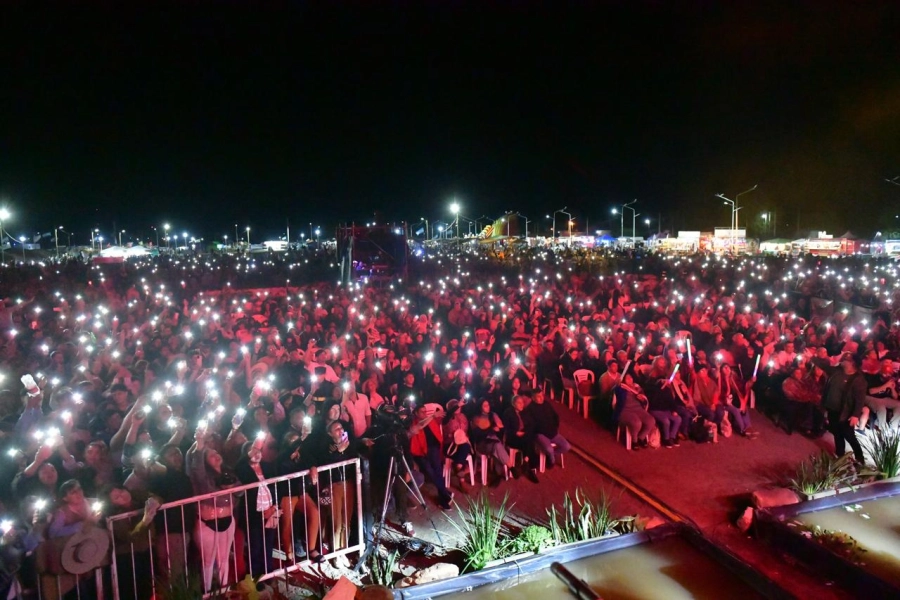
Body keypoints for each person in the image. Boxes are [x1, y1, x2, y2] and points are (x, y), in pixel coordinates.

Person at [187, 426, 242, 591]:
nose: (215, 455)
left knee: (224, 558)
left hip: (228, 520)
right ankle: (207, 592)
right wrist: (200, 443)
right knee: (208, 560)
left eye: (216, 453)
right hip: (207, 523)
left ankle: (224, 590)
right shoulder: (203, 479)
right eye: (210, 455)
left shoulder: (228, 473)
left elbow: (240, 491)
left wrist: (232, 488)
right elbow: (196, 468)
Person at [408, 404, 454, 509]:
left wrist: (457, 406)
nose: (425, 413)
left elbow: (445, 419)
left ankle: (443, 500)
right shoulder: (415, 422)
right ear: (415, 413)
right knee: (432, 473)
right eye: (422, 412)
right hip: (421, 452)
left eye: (425, 411)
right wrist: (432, 416)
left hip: (434, 449)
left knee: (437, 472)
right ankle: (445, 494)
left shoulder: (430, 420)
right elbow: (420, 425)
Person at [822, 354, 866, 463]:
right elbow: (824, 366)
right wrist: (812, 357)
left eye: (846, 359)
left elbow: (860, 399)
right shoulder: (837, 371)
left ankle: (860, 459)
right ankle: (839, 455)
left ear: (852, 363)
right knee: (837, 433)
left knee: (849, 435)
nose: (843, 360)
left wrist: (855, 415)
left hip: (845, 412)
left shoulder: (858, 379)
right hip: (832, 408)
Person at [524, 391, 570, 468]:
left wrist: (555, 426)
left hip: (553, 433)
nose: (541, 398)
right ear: (533, 398)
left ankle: (552, 455)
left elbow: (555, 416)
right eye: (539, 396)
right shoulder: (530, 409)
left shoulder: (546, 404)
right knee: (549, 449)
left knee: (567, 447)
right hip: (541, 434)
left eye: (542, 395)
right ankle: (552, 460)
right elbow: (530, 425)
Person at [612, 373, 657, 449]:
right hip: (625, 410)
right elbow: (616, 392)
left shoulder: (637, 387)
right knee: (637, 423)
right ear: (623, 380)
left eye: (631, 377)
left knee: (651, 421)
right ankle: (634, 441)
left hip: (638, 409)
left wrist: (641, 398)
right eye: (627, 378)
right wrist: (618, 384)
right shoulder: (621, 388)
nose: (630, 379)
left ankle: (641, 438)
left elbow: (645, 400)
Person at [502, 395, 540, 482]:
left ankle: (526, 463)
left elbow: (531, 424)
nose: (521, 405)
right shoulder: (508, 413)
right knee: (530, 441)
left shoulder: (524, 412)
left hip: (524, 436)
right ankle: (528, 466)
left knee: (529, 438)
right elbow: (506, 428)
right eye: (519, 403)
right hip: (513, 437)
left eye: (522, 402)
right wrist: (515, 432)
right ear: (513, 404)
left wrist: (525, 432)